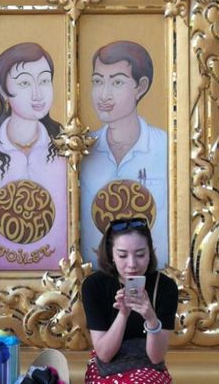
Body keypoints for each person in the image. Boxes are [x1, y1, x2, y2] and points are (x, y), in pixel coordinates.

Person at [0, 42, 67, 271]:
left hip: (60, 272)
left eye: (45, 81)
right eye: (25, 83)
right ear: (3, 91)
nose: (38, 93)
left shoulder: (66, 148)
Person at [80, 41, 168, 268]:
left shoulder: (167, 149)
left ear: (141, 86)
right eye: (98, 81)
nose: (104, 94)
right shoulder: (80, 149)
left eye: (117, 82)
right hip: (92, 279)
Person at [82, 217, 178, 383]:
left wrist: (151, 318)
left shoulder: (165, 287)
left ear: (150, 253)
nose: (132, 264)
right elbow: (104, 355)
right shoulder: (94, 285)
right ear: (111, 254)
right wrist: (123, 314)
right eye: (122, 255)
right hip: (107, 367)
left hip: (148, 367)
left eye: (140, 254)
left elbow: (156, 358)